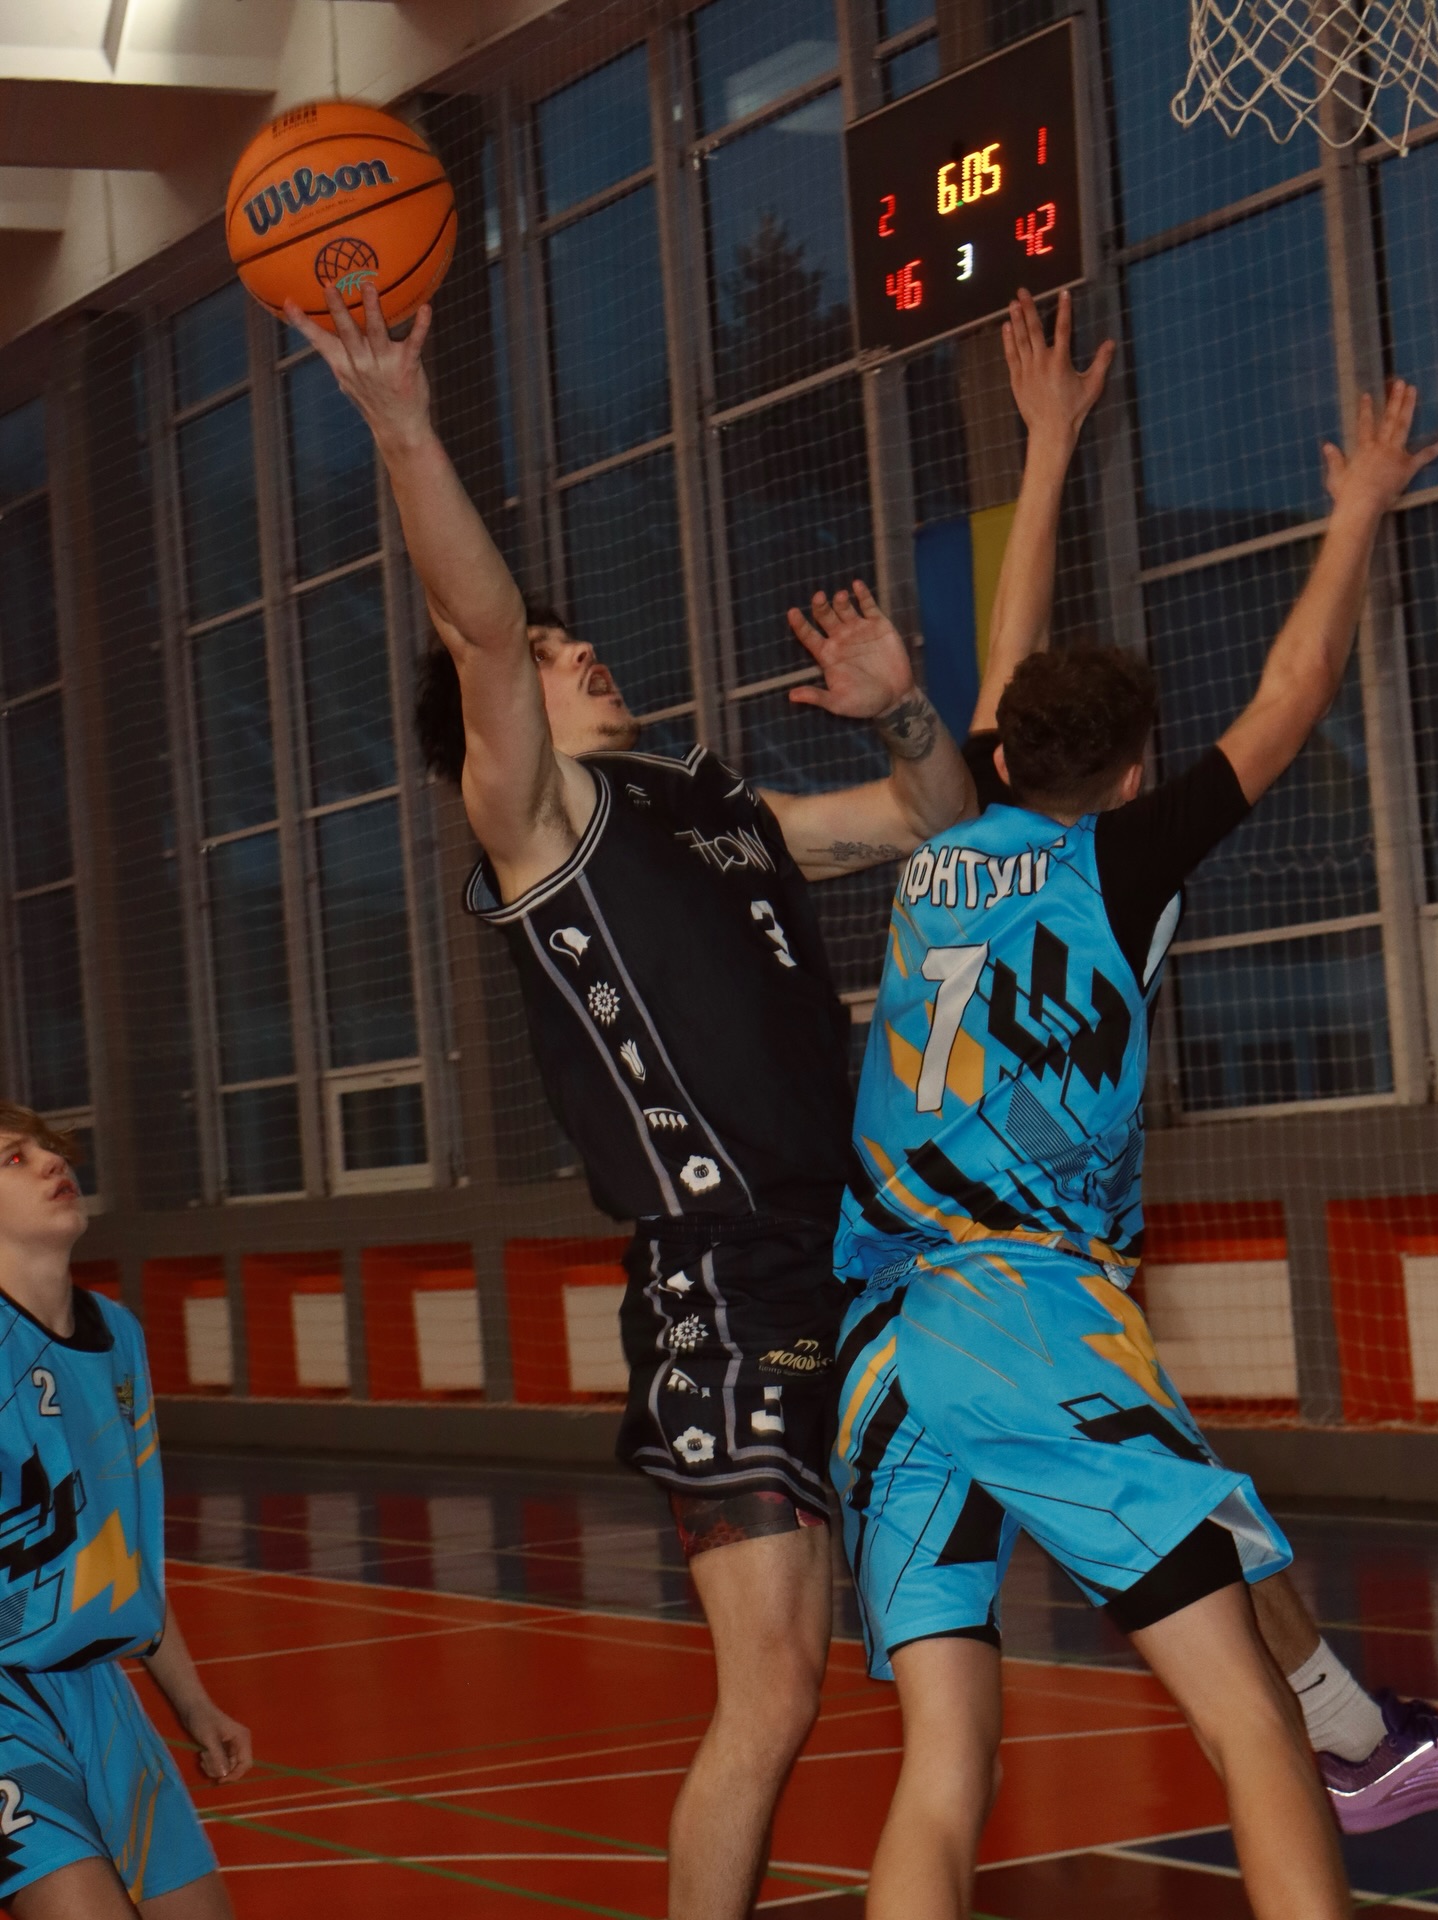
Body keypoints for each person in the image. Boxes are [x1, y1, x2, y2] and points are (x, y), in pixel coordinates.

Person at [288, 280, 976, 1920]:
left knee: (879, 1671)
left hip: (866, 1253)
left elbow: (936, 824)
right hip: (725, 1277)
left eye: (570, 639)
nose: (573, 648)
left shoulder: (713, 800)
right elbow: (475, 628)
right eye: (547, 655)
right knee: (774, 1689)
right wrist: (405, 426)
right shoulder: (540, 823)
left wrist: (902, 706)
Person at [832, 307, 1438, 1915]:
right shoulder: (1120, 860)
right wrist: (1359, 511)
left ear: (1010, 743)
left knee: (942, 1770)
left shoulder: (946, 849)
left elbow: (1009, 660)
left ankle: (1359, 1730)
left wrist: (1043, 447)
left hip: (882, 1337)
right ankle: (1352, 1748)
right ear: (1128, 772)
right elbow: (1295, 688)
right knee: (1244, 1719)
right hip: (1026, 1310)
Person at [0, 1103, 251, 1917]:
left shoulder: (117, 1333)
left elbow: (121, 1549)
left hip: (102, 1696)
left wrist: (193, 1701)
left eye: (49, 1150)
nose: (51, 1163)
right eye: (13, 1159)